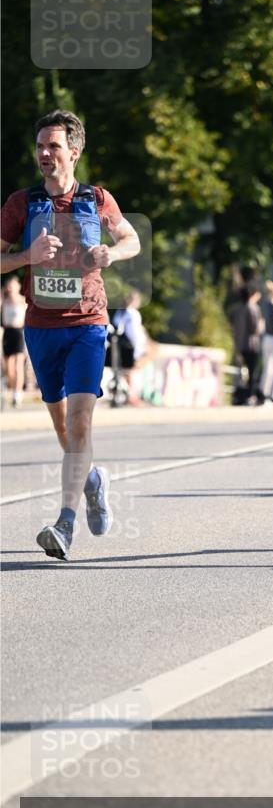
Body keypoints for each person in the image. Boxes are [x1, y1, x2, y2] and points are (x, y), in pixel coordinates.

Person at [0, 109, 140, 560]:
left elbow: (132, 239)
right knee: (64, 429)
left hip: (87, 323)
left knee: (81, 421)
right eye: (40, 146)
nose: (44, 153)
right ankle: (93, 479)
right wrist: (28, 255)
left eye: (53, 146)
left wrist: (111, 253)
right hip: (41, 327)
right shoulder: (21, 204)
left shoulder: (98, 199)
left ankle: (64, 523)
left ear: (73, 153)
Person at [232, 280, 265, 405]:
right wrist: (262, 324)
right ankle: (251, 396)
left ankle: (240, 396)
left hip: (241, 344)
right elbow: (255, 328)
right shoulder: (253, 309)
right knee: (253, 372)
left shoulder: (239, 309)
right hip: (252, 345)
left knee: (242, 372)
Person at [1, 273, 27, 407]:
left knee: (18, 364)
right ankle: (12, 389)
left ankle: (17, 395)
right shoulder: (4, 301)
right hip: (7, 332)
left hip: (19, 332)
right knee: (8, 367)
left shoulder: (23, 300)